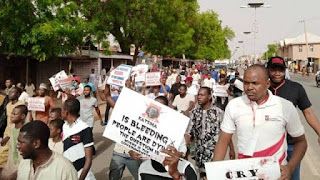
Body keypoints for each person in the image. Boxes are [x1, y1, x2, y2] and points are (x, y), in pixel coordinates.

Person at [213, 65, 307, 180]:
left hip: (275, 175)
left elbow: (301, 142)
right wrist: (214, 172)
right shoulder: (234, 106)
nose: (249, 87)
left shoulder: (284, 106)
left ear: (267, 84)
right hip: (245, 174)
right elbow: (223, 141)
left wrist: (290, 168)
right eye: (246, 83)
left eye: (255, 83)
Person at [267, 56, 320, 180]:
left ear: (285, 70)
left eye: (280, 70)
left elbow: (308, 113)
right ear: (267, 70)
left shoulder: (296, 88)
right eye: (273, 69)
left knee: (292, 177)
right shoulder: (261, 88)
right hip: (268, 145)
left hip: (291, 145)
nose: (277, 73)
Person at [186, 87, 234, 178]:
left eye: (202, 95)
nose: (199, 97)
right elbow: (188, 133)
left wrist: (231, 148)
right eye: (198, 95)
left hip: (214, 154)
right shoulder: (194, 113)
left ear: (209, 96)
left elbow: (225, 132)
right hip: (199, 154)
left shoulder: (218, 113)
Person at [104, 84, 142, 180]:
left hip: (134, 154)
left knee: (140, 177)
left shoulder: (142, 116)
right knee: (113, 177)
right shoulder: (119, 110)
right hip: (118, 152)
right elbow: (107, 96)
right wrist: (108, 84)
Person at [62, 98, 95, 180]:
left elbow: (88, 160)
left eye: (62, 109)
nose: (61, 111)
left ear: (66, 111)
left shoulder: (84, 128)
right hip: (70, 174)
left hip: (84, 176)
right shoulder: (65, 126)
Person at [0, 105, 27, 179]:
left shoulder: (25, 131)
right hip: (11, 160)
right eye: (12, 114)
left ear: (23, 116)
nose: (11, 116)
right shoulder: (12, 127)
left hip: (20, 161)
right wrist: (4, 140)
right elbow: (9, 136)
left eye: (14, 114)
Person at [0, 87, 24, 168]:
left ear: (18, 94)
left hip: (16, 131)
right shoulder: (8, 105)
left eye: (12, 92)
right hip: (7, 130)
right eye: (9, 92)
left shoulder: (21, 105)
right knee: (4, 153)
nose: (10, 94)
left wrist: (9, 135)